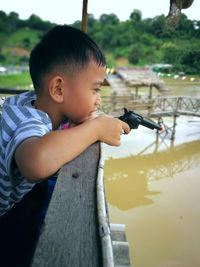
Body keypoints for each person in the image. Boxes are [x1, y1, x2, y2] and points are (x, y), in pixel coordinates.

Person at [0, 25, 130, 266]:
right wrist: (96, 128)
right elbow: (35, 163)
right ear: (58, 89)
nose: (99, 99)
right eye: (95, 89)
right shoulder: (31, 120)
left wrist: (86, 120)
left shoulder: (29, 103)